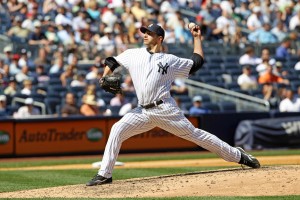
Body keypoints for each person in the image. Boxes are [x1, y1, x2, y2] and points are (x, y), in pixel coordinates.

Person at [86, 23, 260, 186]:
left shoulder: (170, 60)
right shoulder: (133, 54)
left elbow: (196, 62)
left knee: (196, 135)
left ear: (160, 38)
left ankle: (238, 156)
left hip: (165, 110)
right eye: (144, 32)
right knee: (117, 129)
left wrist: (196, 38)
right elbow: (111, 61)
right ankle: (105, 174)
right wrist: (104, 76)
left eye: (150, 33)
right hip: (142, 111)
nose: (145, 35)